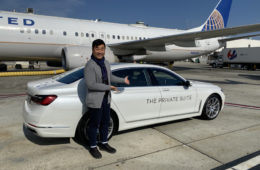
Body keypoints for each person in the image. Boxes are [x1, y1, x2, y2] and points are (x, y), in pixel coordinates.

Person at [84, 39, 130, 159]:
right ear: (93, 49)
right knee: (94, 124)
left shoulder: (106, 63)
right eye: (97, 49)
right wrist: (108, 87)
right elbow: (91, 84)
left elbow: (110, 76)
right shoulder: (90, 65)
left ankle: (104, 143)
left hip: (106, 99)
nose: (100, 51)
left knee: (105, 122)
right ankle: (93, 146)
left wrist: (122, 80)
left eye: (102, 49)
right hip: (95, 100)